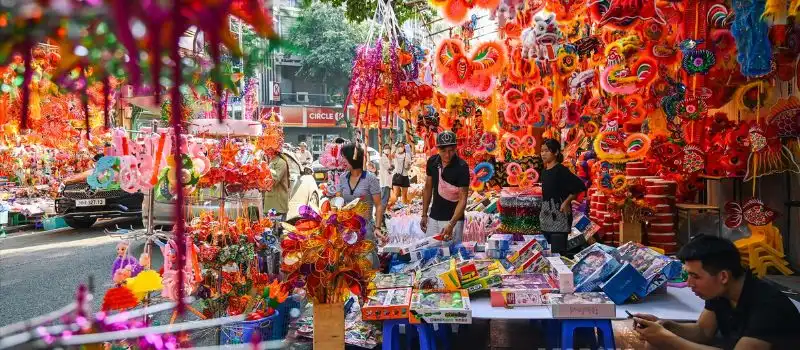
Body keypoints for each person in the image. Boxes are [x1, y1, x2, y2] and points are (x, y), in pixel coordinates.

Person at [634, 235, 800, 350]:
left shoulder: (768, 306)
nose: (689, 283)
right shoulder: (721, 292)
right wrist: (667, 326)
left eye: (695, 276)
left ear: (723, 276)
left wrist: (667, 338)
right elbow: (703, 332)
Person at [335, 143, 386, 266]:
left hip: (366, 229)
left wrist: (378, 228)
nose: (342, 161)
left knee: (367, 264)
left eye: (344, 157)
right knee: (350, 265)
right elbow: (338, 202)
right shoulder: (342, 178)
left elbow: (379, 205)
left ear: (353, 158)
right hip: (347, 230)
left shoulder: (370, 178)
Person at [421, 131, 470, 244]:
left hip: (453, 220)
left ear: (456, 148)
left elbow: (463, 199)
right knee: (430, 252)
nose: (447, 155)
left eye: (451, 151)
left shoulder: (462, 167)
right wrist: (424, 214)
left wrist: (451, 224)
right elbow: (428, 188)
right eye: (443, 151)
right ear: (437, 149)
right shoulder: (432, 162)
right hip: (434, 217)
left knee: (451, 257)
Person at [539, 138, 586, 254]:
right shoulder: (544, 172)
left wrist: (566, 202)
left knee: (558, 252)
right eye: (542, 151)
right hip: (545, 217)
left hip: (559, 216)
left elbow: (579, 186)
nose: (543, 154)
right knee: (548, 251)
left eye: (547, 151)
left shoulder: (560, 170)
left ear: (555, 153)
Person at [263, 151, 290, 220]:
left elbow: (275, 180)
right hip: (271, 201)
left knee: (277, 225)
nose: (265, 153)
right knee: (270, 224)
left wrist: (266, 168)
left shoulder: (281, 162)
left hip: (278, 202)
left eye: (267, 151)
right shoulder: (270, 162)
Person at [389, 142, 412, 208]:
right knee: (396, 194)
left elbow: (409, 166)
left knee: (404, 195)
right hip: (396, 176)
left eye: (401, 146)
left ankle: (403, 209)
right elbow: (390, 156)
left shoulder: (407, 155)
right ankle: (395, 208)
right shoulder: (395, 155)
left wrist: (408, 166)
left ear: (404, 147)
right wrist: (395, 148)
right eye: (399, 146)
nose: (400, 147)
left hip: (405, 176)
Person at [379, 143, 393, 207]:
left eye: (388, 148)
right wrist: (390, 162)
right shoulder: (382, 158)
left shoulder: (389, 158)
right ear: (383, 150)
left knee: (386, 198)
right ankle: (380, 213)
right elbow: (389, 168)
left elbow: (393, 167)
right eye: (386, 148)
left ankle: (382, 213)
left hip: (388, 181)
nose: (387, 149)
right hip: (385, 181)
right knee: (384, 198)